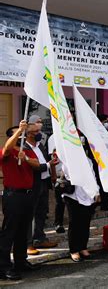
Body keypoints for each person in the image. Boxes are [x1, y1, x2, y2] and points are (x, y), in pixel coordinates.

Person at [0, 121, 41, 280]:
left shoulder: (26, 152)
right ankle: (3, 266)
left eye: (23, 133)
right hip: (13, 196)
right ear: (12, 136)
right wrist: (20, 130)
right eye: (18, 133)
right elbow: (8, 147)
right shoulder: (7, 152)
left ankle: (20, 261)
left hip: (27, 195)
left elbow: (37, 165)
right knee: (9, 231)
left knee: (23, 230)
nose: (22, 135)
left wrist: (26, 159)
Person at [25, 116, 58, 254]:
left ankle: (40, 238)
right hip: (32, 184)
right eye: (37, 131)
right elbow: (34, 166)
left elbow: (46, 160)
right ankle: (27, 243)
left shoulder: (40, 145)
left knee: (41, 212)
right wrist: (48, 165)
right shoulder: (24, 147)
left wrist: (52, 172)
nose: (40, 133)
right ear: (29, 132)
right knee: (29, 214)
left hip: (44, 182)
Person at [62, 152, 101, 262]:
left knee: (85, 222)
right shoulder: (67, 159)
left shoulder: (87, 160)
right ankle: (74, 250)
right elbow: (69, 175)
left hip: (88, 195)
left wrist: (96, 191)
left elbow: (93, 176)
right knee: (74, 223)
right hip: (73, 195)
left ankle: (83, 247)